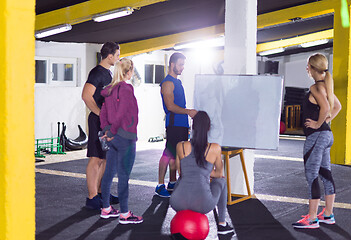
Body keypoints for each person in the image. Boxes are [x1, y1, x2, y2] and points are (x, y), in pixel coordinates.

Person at [292, 53, 341, 229]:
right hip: (326, 136)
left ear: (313, 68)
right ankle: (328, 214)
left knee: (312, 176)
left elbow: (328, 107)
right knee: (326, 174)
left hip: (317, 137)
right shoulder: (326, 87)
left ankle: (312, 219)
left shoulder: (315, 88)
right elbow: (337, 107)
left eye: (308, 66)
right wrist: (326, 123)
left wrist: (318, 123)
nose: (306, 69)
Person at [170, 111, 234, 235]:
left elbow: (180, 171)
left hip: (177, 202)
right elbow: (219, 174)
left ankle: (181, 216)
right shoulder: (215, 148)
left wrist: (197, 171)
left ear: (193, 126)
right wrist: (204, 173)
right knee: (222, 180)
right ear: (208, 128)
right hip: (203, 204)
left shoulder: (181, 146)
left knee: (181, 179)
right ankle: (222, 224)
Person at [99, 58, 143, 224]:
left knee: (109, 173)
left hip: (112, 138)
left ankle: (106, 209)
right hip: (125, 138)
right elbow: (122, 113)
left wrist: (106, 131)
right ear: (129, 72)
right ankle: (124, 213)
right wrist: (112, 130)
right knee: (124, 176)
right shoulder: (126, 88)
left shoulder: (109, 90)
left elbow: (103, 113)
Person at [82, 42, 120, 209]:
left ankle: (100, 192)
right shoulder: (97, 72)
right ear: (109, 56)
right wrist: (100, 114)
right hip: (97, 121)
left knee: (105, 159)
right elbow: (86, 96)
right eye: (117, 55)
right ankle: (92, 198)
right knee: (96, 158)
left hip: (107, 122)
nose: (118, 58)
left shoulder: (109, 73)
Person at [155, 52, 197, 198]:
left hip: (182, 124)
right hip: (174, 123)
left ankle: (172, 182)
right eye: (180, 64)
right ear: (172, 65)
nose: (182, 67)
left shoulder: (177, 82)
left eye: (183, 65)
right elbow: (170, 106)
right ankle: (160, 185)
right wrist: (188, 111)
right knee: (168, 153)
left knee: (176, 154)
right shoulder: (167, 83)